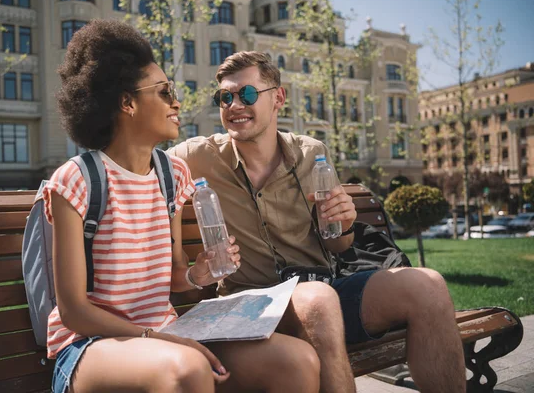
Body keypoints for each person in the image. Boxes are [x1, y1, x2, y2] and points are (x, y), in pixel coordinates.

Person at [45, 21, 319, 393]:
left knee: (297, 361)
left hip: (166, 335)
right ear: (127, 102)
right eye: (163, 92)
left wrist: (197, 275)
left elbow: (176, 276)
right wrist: (154, 336)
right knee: (189, 369)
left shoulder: (172, 174)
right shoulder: (75, 180)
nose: (176, 102)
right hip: (89, 346)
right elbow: (75, 311)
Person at [170, 51, 466, 393]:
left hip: (324, 287)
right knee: (317, 300)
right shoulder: (195, 156)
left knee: (427, 284)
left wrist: (344, 223)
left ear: (278, 98)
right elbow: (141, 163)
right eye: (225, 97)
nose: (234, 105)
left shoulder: (313, 154)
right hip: (250, 306)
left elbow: (337, 245)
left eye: (247, 94)